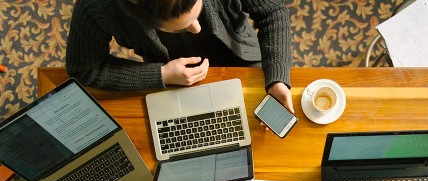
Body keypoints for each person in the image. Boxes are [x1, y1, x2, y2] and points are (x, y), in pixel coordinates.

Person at [66, 0, 294, 112]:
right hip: (170, 81)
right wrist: (161, 75)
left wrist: (277, 78)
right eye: (180, 28)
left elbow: (272, 11)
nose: (197, 29)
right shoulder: (96, 5)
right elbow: (84, 68)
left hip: (242, 55)